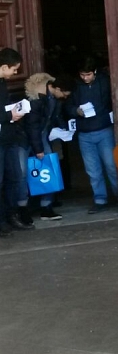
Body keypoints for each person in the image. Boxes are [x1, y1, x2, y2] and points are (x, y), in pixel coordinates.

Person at [65, 57, 118, 213]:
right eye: (82, 75)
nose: (85, 78)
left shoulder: (105, 82)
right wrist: (76, 110)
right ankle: (100, 199)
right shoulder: (75, 86)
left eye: (88, 74)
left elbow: (115, 100)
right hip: (84, 134)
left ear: (94, 72)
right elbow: (67, 105)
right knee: (92, 170)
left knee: (111, 166)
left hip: (104, 130)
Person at [24, 73, 76, 221]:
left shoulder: (53, 98)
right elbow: (32, 126)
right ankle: (28, 206)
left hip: (44, 135)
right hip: (30, 138)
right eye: (64, 94)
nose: (65, 97)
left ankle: (46, 205)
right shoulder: (36, 97)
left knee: (48, 169)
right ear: (57, 88)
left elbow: (56, 116)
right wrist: (38, 148)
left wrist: (64, 129)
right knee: (27, 172)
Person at [0, 48, 26, 237]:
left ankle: (11, 215)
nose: (15, 73)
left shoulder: (2, 82)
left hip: (8, 138)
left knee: (14, 178)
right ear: (3, 67)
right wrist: (9, 115)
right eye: (14, 69)